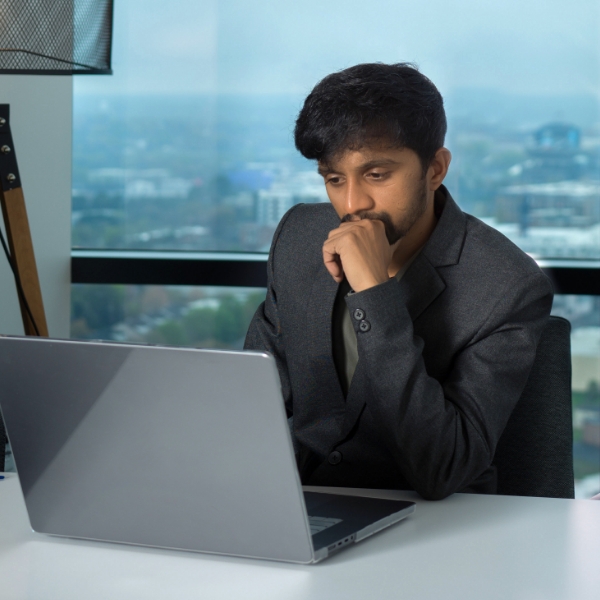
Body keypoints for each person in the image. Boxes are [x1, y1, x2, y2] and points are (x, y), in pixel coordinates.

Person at [244, 63, 553, 500]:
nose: (352, 204)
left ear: (435, 169)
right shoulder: (298, 237)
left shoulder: (507, 285)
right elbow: (252, 405)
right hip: (300, 510)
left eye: (376, 175)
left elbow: (441, 469)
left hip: (434, 529)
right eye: (334, 179)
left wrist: (374, 294)